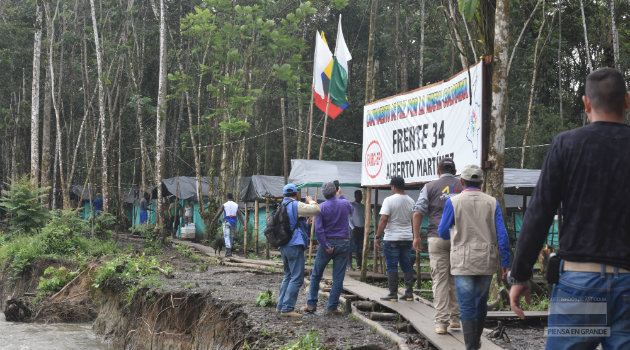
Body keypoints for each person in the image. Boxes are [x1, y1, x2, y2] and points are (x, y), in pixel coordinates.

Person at [509, 68, 630, 350]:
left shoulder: (567, 144)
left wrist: (520, 274)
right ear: (627, 100)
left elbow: (538, 213)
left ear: (586, 103)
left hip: (579, 287)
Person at [437, 164, 510, 350]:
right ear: (482, 182)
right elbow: (502, 235)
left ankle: (471, 346)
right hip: (487, 260)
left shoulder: (453, 202)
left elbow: (443, 231)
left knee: (466, 304)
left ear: (461, 181)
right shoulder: (492, 202)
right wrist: (506, 262)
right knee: (481, 302)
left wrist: (455, 233)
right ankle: (475, 342)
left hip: (463, 261)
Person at [412, 158, 463, 334]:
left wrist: (416, 236)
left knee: (439, 280)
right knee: (456, 278)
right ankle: (455, 319)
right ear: (455, 171)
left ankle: (441, 323)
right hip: (460, 238)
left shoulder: (429, 187)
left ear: (438, 171)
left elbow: (418, 212)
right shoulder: (462, 186)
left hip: (436, 236)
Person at [301, 181, 353, 315]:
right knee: (338, 277)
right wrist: (341, 196)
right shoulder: (344, 203)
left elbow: (318, 229)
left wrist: (326, 245)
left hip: (327, 244)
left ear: (324, 194)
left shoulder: (321, 207)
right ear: (336, 190)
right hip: (343, 242)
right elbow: (351, 210)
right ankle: (332, 307)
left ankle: (311, 304)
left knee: (316, 274)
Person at [276, 184, 320, 317]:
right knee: (297, 277)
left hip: (283, 245)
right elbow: (316, 209)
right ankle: (288, 308)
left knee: (288, 275)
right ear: (296, 194)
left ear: (283, 195)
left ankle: (280, 306)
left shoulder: (281, 206)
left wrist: (303, 224)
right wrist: (310, 200)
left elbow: (291, 223)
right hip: (294, 245)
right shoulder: (296, 205)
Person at [375, 176, 416, 302]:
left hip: (392, 238)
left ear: (393, 186)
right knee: (407, 265)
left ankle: (393, 294)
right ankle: (409, 293)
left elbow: (384, 219)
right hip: (407, 237)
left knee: (392, 266)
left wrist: (377, 236)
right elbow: (414, 218)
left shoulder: (389, 200)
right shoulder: (411, 201)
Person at [349, 190, 365, 270]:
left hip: (362, 228)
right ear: (355, 196)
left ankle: (359, 265)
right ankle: (349, 265)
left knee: (360, 247)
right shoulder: (351, 205)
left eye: (361, 195)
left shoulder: (363, 206)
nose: (360, 197)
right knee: (351, 247)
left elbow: (365, 217)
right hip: (354, 229)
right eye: (358, 195)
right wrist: (353, 227)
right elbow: (348, 218)